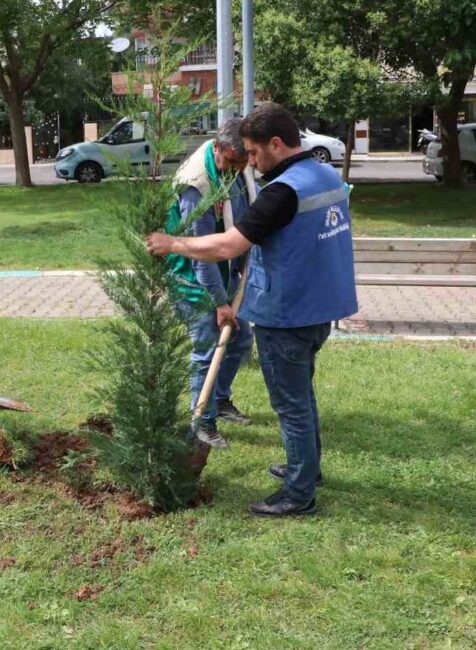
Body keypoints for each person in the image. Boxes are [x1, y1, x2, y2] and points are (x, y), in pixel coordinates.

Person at [145, 104, 358, 516]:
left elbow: (227, 245)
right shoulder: (325, 173)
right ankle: (306, 470)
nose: (252, 163)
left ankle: (299, 494)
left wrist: (173, 243)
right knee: (303, 394)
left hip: (288, 313)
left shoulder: (283, 191)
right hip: (322, 308)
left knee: (290, 405)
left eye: (255, 153)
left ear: (276, 144)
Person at [166, 118, 257, 450]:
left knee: (241, 336)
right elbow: (199, 254)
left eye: (243, 161)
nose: (239, 168)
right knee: (208, 347)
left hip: (227, 270)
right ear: (217, 148)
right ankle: (201, 420)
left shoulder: (239, 161)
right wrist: (219, 303)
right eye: (232, 162)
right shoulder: (196, 185)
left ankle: (219, 400)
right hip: (193, 279)